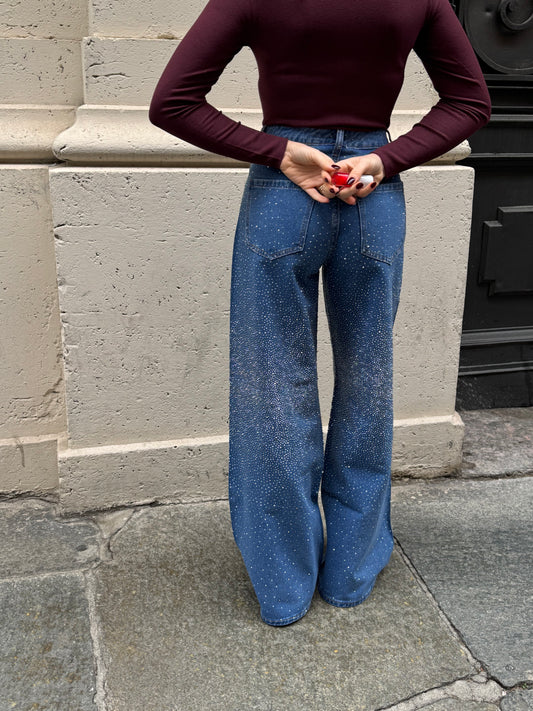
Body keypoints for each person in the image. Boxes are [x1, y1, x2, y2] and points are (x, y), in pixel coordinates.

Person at [149, 0, 491, 627]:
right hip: (371, 195)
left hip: (285, 195)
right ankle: (350, 574)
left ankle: (283, 587)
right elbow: (470, 102)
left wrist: (278, 151)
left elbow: (172, 103)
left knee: (271, 388)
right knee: (368, 383)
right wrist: (384, 159)